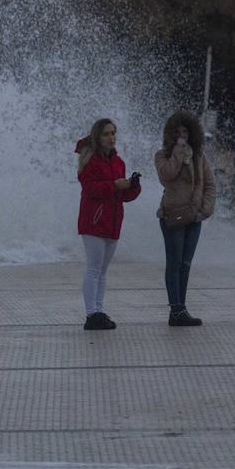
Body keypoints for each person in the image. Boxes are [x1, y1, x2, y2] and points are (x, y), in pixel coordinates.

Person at [76, 118, 142, 330]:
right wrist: (114, 185)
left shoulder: (118, 162)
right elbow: (91, 189)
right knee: (94, 269)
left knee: (103, 270)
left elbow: (123, 196)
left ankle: (98, 310)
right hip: (94, 222)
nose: (111, 137)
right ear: (98, 136)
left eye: (113, 133)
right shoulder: (90, 160)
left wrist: (133, 187)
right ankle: (91, 313)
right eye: (106, 134)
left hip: (112, 222)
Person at [155, 110, 216, 326]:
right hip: (172, 216)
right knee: (174, 263)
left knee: (185, 263)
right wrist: (178, 153)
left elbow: (209, 184)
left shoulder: (200, 157)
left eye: (186, 132)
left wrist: (204, 210)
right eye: (178, 133)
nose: (182, 136)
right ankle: (176, 309)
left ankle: (181, 308)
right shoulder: (162, 156)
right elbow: (167, 175)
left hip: (194, 217)